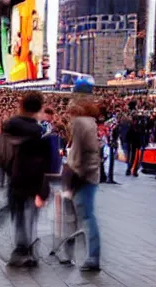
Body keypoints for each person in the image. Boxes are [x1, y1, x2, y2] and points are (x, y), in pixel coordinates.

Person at [0, 91, 50, 267]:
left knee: (19, 215)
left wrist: (7, 171)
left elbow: (1, 154)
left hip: (15, 178)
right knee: (30, 216)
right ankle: (25, 249)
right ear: (38, 108)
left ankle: (21, 249)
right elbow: (44, 162)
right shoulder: (39, 131)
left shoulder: (9, 126)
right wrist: (43, 188)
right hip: (33, 180)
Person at [65, 100, 101, 272]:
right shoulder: (89, 124)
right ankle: (85, 254)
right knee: (84, 217)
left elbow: (81, 157)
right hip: (86, 177)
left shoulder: (82, 126)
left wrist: (74, 180)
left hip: (83, 179)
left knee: (87, 218)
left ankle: (93, 257)